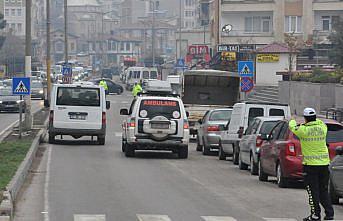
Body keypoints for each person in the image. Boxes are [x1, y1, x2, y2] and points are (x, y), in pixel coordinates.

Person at [289, 108, 334, 221]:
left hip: (310, 166)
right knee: (323, 189)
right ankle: (329, 214)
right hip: (324, 165)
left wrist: (293, 119)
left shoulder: (303, 130)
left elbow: (292, 127)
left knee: (312, 191)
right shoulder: (322, 128)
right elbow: (320, 122)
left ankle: (315, 215)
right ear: (315, 117)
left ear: (305, 119)